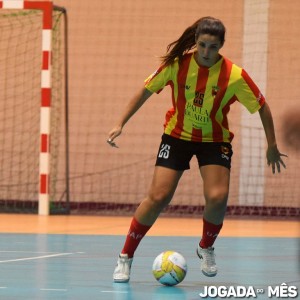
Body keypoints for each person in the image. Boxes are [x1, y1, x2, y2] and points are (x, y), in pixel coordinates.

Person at [107, 16, 287, 283]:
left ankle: (206, 247)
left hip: (214, 141)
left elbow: (262, 106)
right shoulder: (176, 66)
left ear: (221, 46)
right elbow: (144, 91)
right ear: (196, 42)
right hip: (177, 136)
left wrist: (271, 145)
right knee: (158, 197)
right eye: (202, 45)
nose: (205, 52)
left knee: (217, 196)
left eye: (212, 47)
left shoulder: (234, 75)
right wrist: (120, 123)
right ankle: (125, 256)